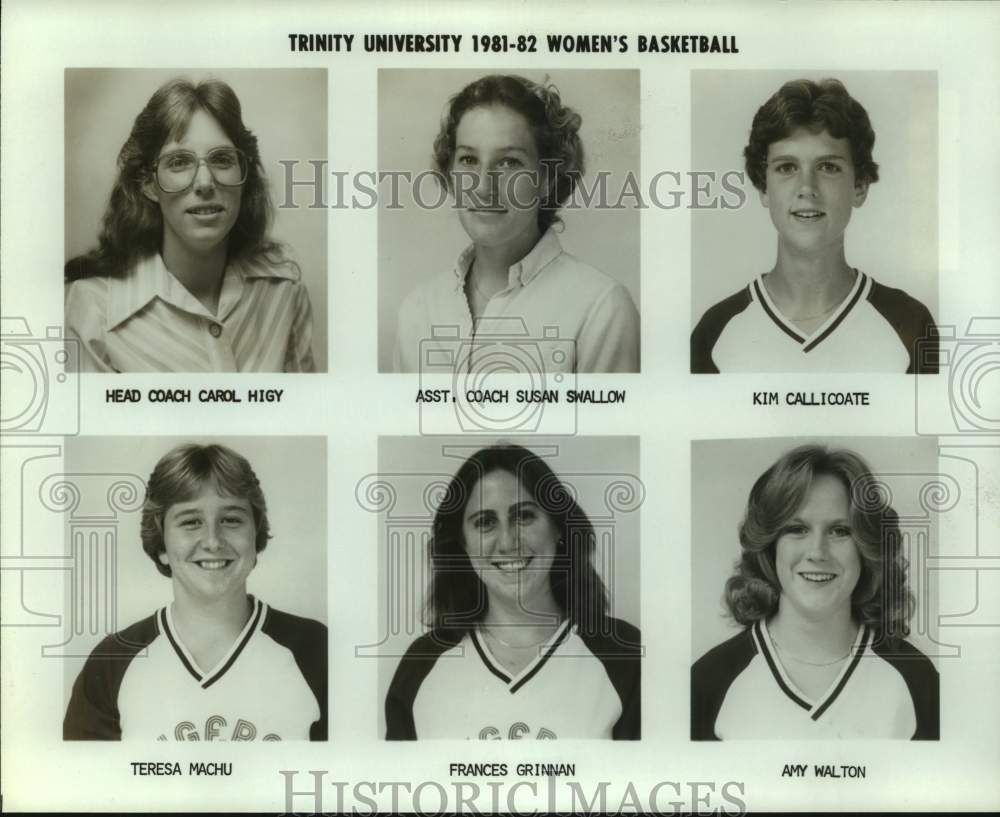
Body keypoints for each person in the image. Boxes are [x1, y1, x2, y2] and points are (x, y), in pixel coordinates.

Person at [64, 443, 327, 741]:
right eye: (191, 522)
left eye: (231, 520)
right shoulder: (113, 660)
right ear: (162, 545)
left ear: (256, 534)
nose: (213, 541)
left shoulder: (317, 651)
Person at [385, 443, 641, 739]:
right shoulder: (422, 664)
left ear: (558, 527)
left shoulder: (625, 655)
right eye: (485, 522)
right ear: (461, 545)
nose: (507, 542)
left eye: (524, 516)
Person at [65, 77, 315, 372]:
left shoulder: (284, 291)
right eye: (179, 162)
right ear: (148, 183)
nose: (205, 183)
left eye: (222, 159)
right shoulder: (94, 309)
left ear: (244, 176)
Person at [393, 74, 640, 374]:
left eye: (509, 162)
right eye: (469, 160)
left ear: (547, 178)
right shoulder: (418, 311)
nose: (483, 187)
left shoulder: (600, 309)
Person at [691, 445, 939, 740]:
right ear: (770, 548)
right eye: (797, 529)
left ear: (866, 548)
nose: (817, 552)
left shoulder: (916, 679)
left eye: (840, 531)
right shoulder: (710, 680)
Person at [691, 78, 938, 373]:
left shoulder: (909, 323)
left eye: (828, 167)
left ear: (859, 186)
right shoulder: (716, 331)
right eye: (787, 167)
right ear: (763, 188)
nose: (807, 187)